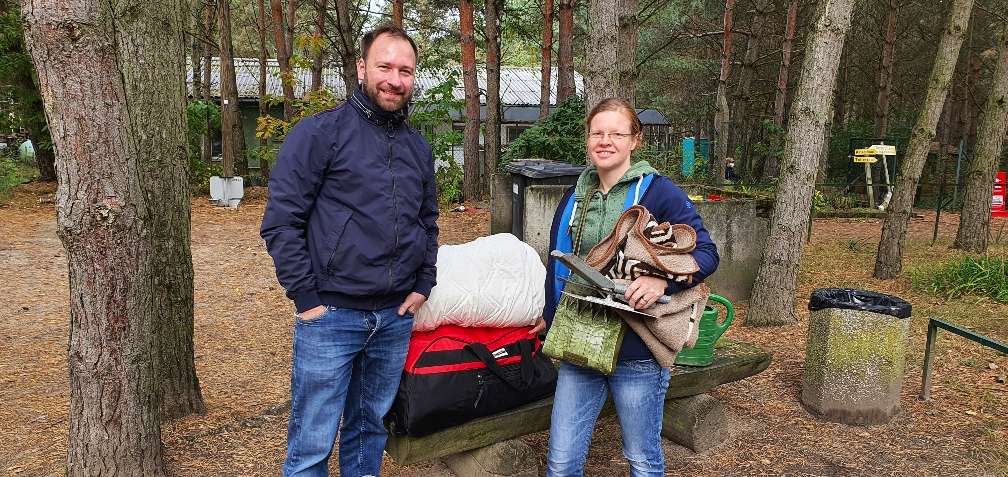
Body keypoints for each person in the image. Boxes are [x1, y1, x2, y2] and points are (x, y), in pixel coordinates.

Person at [260, 24, 438, 477]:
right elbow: (281, 222)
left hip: (393, 318)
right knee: (312, 445)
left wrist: (424, 281)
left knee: (369, 432)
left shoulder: (417, 147)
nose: (394, 80)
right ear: (362, 68)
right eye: (385, 67)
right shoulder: (319, 134)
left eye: (405, 71)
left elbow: (427, 221)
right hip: (331, 316)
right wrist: (307, 299)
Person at [536, 98, 719, 476]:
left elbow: (706, 253)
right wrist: (548, 318)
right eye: (597, 133)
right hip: (579, 346)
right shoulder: (573, 197)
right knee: (561, 461)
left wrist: (661, 280)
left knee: (641, 459)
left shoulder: (659, 193)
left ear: (635, 140)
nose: (605, 141)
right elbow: (558, 265)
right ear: (587, 139)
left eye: (617, 134)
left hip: (636, 349)